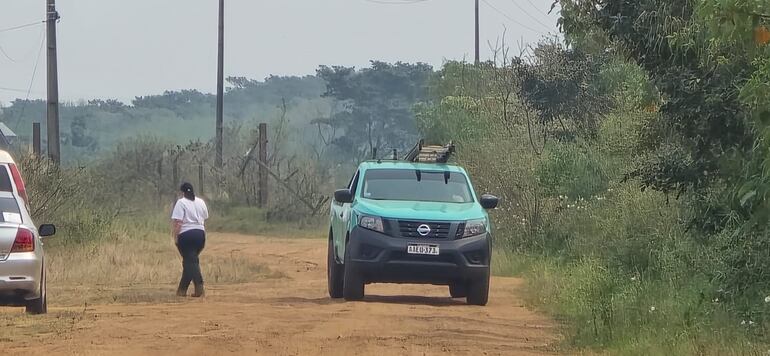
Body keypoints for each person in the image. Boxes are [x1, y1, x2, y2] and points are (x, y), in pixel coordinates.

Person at [171, 182, 209, 297]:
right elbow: (205, 217)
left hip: (186, 234)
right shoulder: (201, 202)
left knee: (190, 261)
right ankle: (182, 290)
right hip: (200, 234)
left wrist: (175, 236)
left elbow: (178, 222)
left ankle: (199, 286)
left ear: (182, 192)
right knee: (190, 261)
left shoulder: (181, 202)